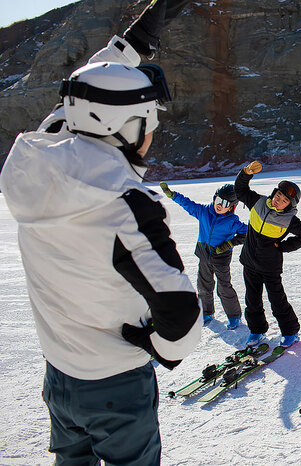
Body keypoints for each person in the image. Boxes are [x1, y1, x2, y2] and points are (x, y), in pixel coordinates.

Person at [0, 2, 202, 464]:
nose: (151, 134)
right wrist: (157, 346)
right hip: (116, 383)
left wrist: (143, 33)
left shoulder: (36, 164)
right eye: (148, 122)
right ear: (127, 127)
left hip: (60, 374)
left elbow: (80, 100)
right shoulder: (127, 207)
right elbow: (182, 316)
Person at [234, 160, 301, 348]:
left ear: (289, 204)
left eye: (284, 200)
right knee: (252, 300)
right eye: (278, 195)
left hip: (270, 267)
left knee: (277, 300)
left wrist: (283, 247)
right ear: (273, 193)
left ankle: (290, 332)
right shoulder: (258, 202)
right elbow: (240, 190)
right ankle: (257, 330)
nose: (279, 200)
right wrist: (246, 173)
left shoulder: (290, 219)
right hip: (249, 262)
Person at [159, 182, 247, 328]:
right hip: (204, 254)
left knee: (224, 287)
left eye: (225, 203)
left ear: (232, 206)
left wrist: (229, 243)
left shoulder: (232, 221)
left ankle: (233, 316)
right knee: (204, 285)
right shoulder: (203, 211)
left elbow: (248, 232)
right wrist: (173, 195)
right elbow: (188, 204)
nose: (219, 205)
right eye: (218, 200)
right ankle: (207, 312)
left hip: (221, 258)